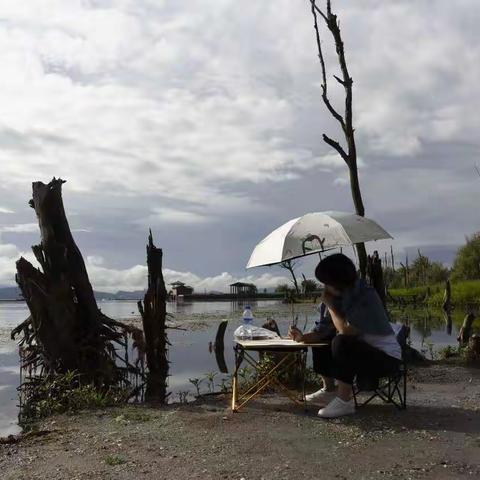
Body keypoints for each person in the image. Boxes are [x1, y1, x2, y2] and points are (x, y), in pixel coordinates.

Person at [289, 253, 401, 418]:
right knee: (324, 340)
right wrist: (301, 337)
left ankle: (344, 401)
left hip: (386, 359)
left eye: (326, 282)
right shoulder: (337, 297)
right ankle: (329, 390)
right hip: (363, 353)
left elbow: (346, 331)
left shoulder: (365, 295)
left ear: (337, 282)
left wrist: (329, 305)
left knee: (342, 341)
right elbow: (322, 331)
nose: (324, 287)